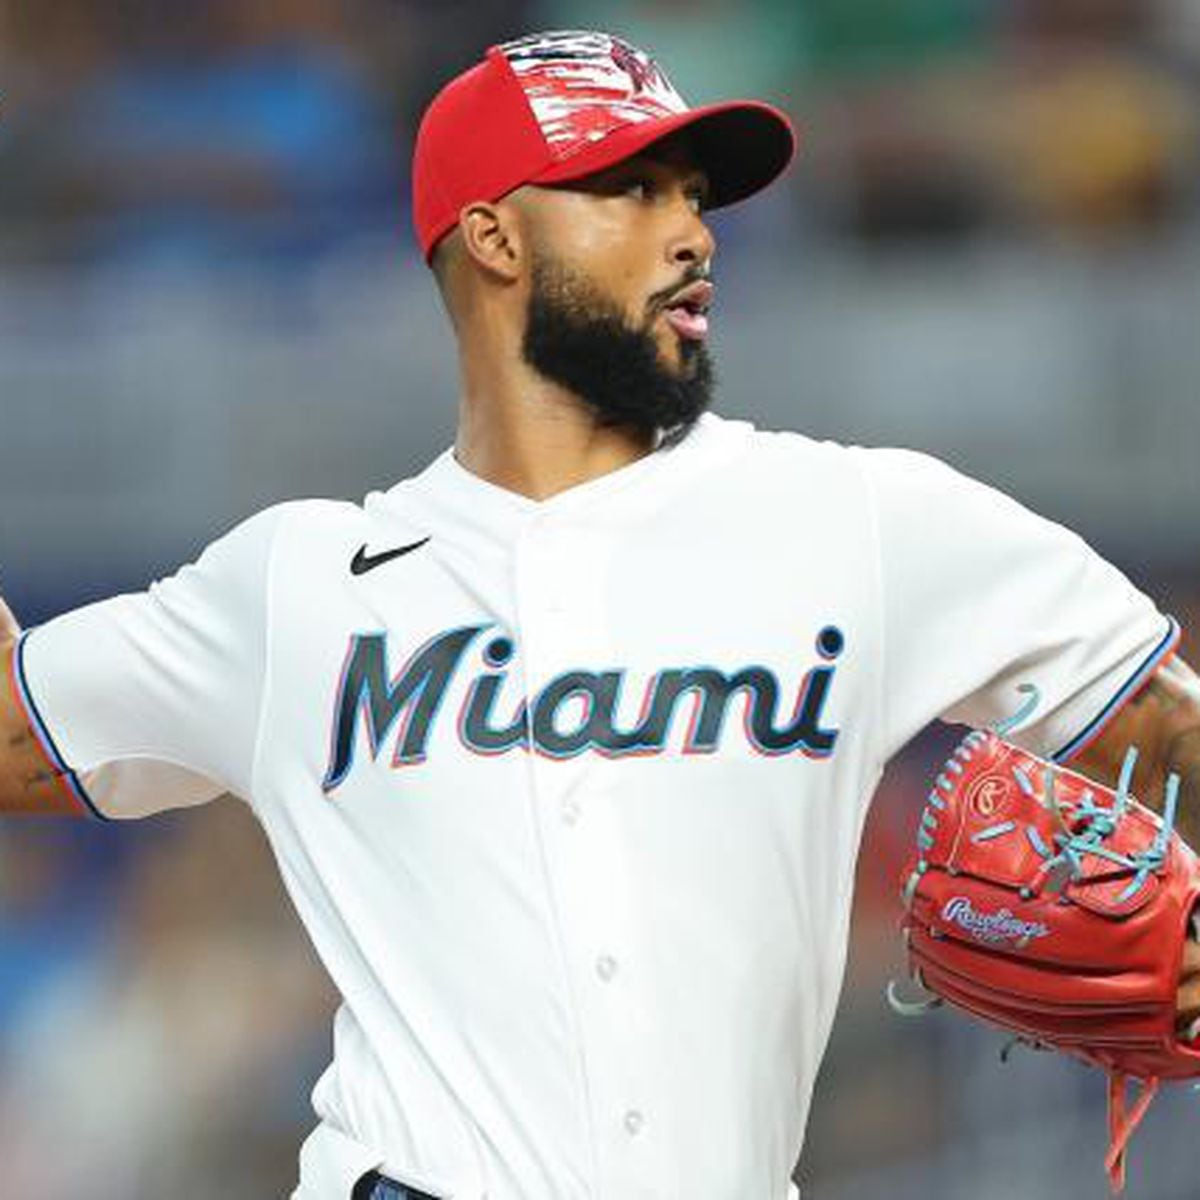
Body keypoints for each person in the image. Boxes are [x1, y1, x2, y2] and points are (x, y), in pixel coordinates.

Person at [2, 29, 1199, 1200]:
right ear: (492, 236)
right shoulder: (298, 584)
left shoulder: (861, 522)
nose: (690, 233)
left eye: (692, 194)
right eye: (628, 190)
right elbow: (19, 729)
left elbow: (1167, 721)